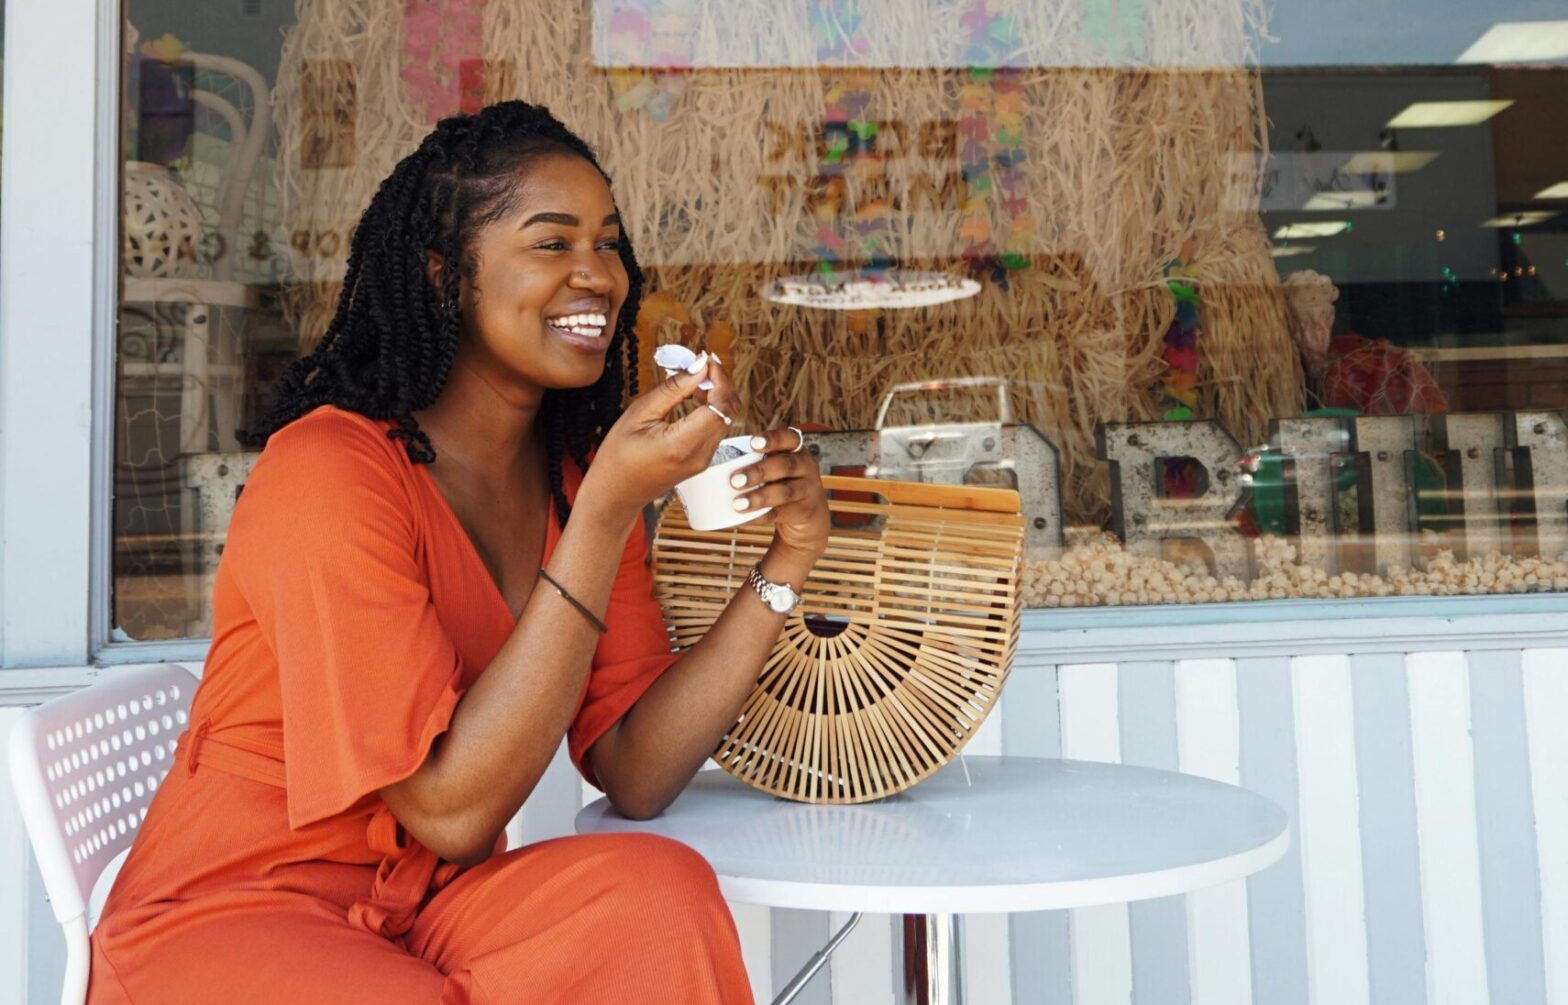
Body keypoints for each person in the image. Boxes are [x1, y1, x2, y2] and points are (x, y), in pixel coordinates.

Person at [88, 100, 829, 1003]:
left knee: (659, 898)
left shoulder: (573, 479)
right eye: (551, 244)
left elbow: (635, 768)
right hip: (236, 912)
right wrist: (603, 515)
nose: (596, 275)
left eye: (607, 244)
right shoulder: (328, 473)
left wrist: (784, 564)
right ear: (445, 276)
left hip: (430, 910)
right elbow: (447, 807)